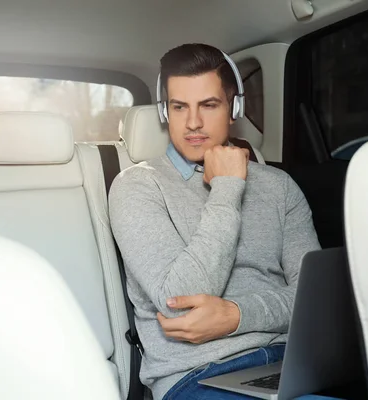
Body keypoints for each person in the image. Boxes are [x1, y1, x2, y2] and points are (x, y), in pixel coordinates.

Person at [109, 43, 322, 400]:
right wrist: (227, 187)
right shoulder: (138, 186)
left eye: (208, 105)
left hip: (292, 362)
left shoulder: (279, 187)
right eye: (179, 107)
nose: (193, 122)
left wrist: (236, 315)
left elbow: (312, 299)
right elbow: (181, 297)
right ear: (165, 112)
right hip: (198, 377)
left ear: (234, 107)